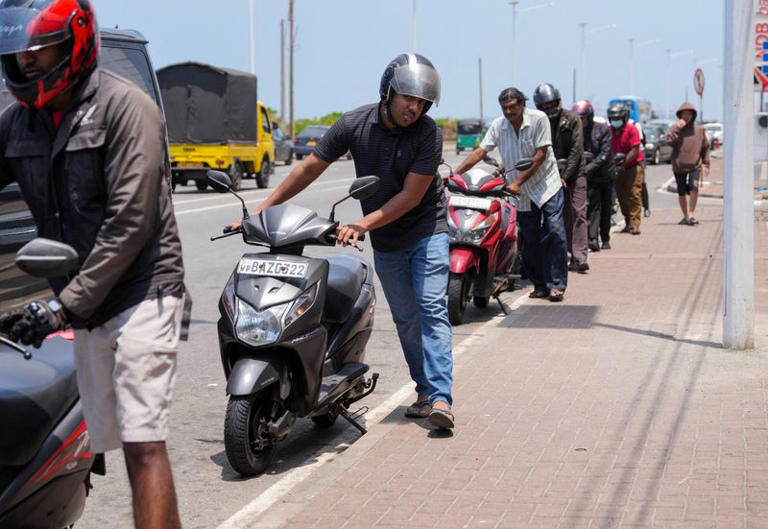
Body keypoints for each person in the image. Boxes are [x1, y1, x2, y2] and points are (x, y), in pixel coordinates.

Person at [0, 1, 189, 528]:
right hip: (83, 303)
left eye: (40, 50)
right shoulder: (19, 123)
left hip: (143, 292)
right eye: (18, 51)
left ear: (76, 42)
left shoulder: (127, 109)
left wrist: (62, 308)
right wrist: (70, 306)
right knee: (113, 441)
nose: (26, 61)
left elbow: (131, 224)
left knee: (143, 442)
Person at [227, 53, 455, 429]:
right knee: (406, 319)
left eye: (421, 102)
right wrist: (259, 212)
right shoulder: (354, 123)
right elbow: (310, 167)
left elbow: (411, 197)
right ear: (388, 92)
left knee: (431, 308)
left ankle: (441, 397)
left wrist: (362, 224)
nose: (414, 108)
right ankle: (425, 392)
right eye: (407, 98)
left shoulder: (428, 134)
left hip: (427, 230)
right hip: (388, 238)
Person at [454, 88, 567, 302]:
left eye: (513, 107)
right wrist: (455, 174)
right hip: (520, 192)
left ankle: (556, 285)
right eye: (504, 108)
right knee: (529, 240)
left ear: (522, 104)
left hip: (546, 184)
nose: (508, 112)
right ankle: (540, 285)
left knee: (554, 232)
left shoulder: (539, 119)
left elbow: (540, 155)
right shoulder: (499, 126)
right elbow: (480, 152)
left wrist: (516, 182)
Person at [533, 83, 587, 273]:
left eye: (551, 103)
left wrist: (565, 176)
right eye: (544, 105)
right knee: (559, 217)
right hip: (549, 175)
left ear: (558, 101)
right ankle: (561, 255)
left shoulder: (572, 119)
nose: (549, 108)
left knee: (578, 212)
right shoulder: (538, 123)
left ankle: (580, 257)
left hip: (574, 173)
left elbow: (576, 151)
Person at [572, 100, 614, 251]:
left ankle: (605, 238)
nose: (580, 121)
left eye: (582, 118)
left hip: (605, 174)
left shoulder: (602, 129)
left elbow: (605, 153)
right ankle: (592, 238)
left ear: (589, 116)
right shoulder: (576, 132)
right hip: (590, 177)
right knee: (593, 207)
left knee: (606, 207)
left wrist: (588, 168)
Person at [666, 102, 710, 225]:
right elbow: (668, 141)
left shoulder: (699, 130)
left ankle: (691, 214)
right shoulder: (675, 128)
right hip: (679, 166)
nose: (687, 116)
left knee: (694, 189)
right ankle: (685, 216)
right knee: (681, 192)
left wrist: (706, 163)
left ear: (693, 115)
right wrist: (677, 128)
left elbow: (706, 147)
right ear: (680, 115)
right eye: (684, 114)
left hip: (695, 166)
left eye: (689, 114)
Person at [607, 102, 644, 235]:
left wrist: (623, 163)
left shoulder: (632, 129)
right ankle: (628, 221)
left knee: (634, 194)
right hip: (616, 169)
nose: (615, 121)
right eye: (613, 118)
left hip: (632, 166)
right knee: (621, 196)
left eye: (618, 118)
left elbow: (635, 150)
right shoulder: (609, 131)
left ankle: (635, 224)